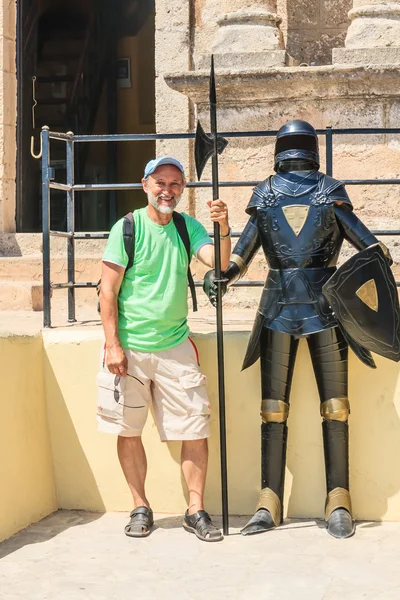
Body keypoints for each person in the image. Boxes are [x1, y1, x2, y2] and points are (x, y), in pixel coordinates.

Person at [204, 120, 396, 539]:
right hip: (281, 305)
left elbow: (370, 249)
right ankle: (269, 499)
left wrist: (229, 272)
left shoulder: (321, 192)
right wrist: (225, 273)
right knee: (278, 409)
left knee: (334, 407)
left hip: (322, 308)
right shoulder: (274, 194)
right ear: (312, 147)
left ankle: (338, 498)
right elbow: (244, 251)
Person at [97, 156, 231, 542]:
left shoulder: (189, 228)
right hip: (129, 348)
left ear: (183, 190)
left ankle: (195, 510)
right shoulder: (127, 227)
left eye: (175, 184)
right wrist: (113, 345)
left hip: (175, 346)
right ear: (145, 185)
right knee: (129, 431)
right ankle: (140, 506)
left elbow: (218, 263)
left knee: (194, 429)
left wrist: (223, 226)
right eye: (160, 182)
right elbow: (108, 291)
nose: (167, 190)